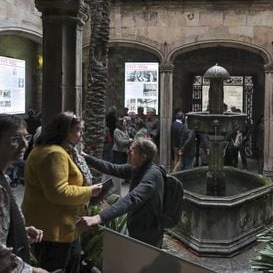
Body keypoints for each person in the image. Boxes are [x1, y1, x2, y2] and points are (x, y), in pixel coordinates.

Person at [22, 112, 103, 272]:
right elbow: (59, 192)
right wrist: (89, 192)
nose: (81, 135)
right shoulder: (54, 154)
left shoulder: (56, 150)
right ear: (66, 131)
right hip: (54, 230)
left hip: (59, 226)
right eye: (79, 130)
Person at [77, 138, 165, 248]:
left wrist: (98, 218)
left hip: (148, 236)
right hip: (137, 230)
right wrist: (85, 156)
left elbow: (132, 199)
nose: (128, 152)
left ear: (143, 157)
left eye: (132, 150)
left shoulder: (152, 175)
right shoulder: (137, 168)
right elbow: (111, 168)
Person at [0, 114, 47, 273]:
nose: (24, 144)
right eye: (15, 139)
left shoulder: (4, 177)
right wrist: (31, 270)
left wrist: (18, 230)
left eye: (26, 137)